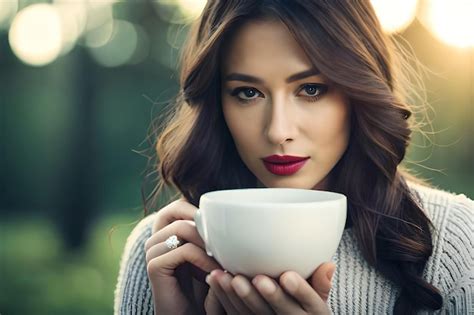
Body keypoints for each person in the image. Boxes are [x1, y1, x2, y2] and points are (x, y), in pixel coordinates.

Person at [114, 1, 473, 314]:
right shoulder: (167, 254)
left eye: (311, 89)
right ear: (216, 103)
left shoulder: (455, 241)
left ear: (360, 92)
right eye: (248, 92)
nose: (277, 131)